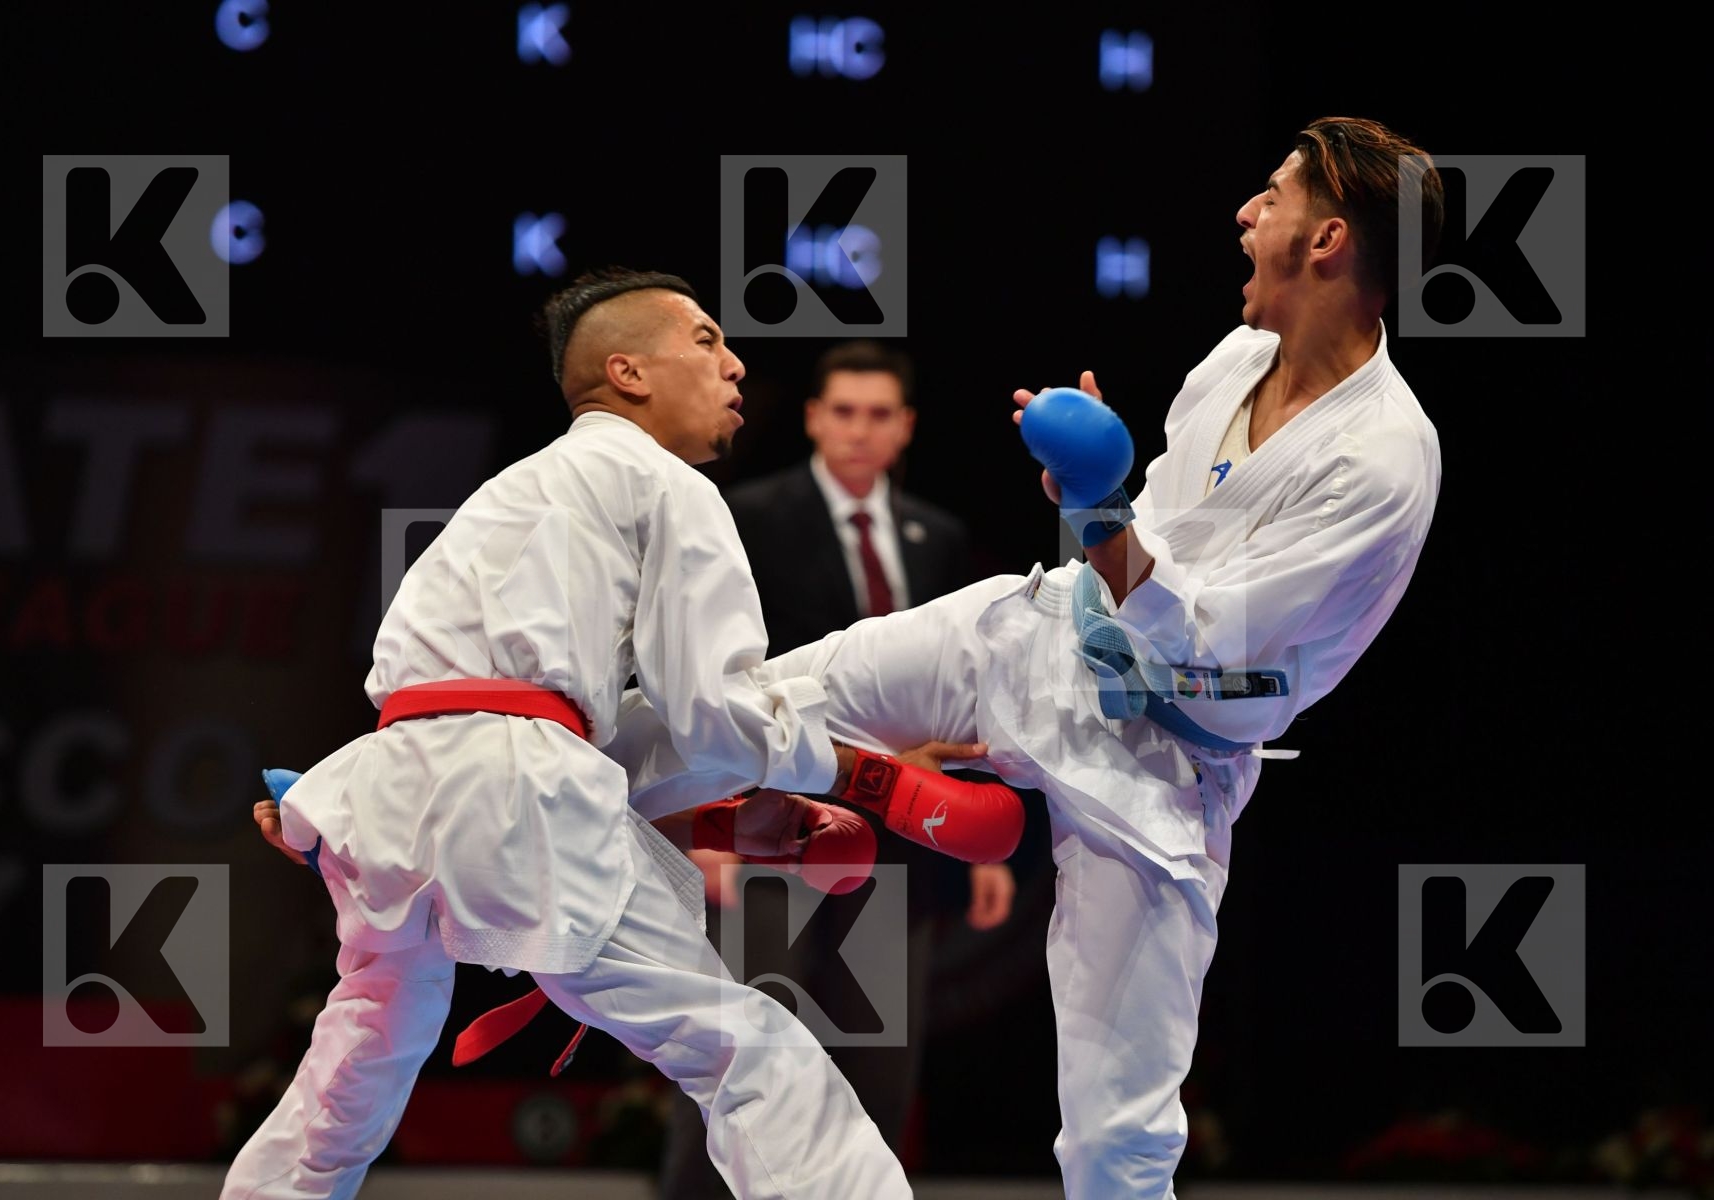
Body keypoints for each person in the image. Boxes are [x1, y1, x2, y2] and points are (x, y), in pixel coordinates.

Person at [605, 117, 1446, 1198]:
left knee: (1115, 1135)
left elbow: (1203, 647)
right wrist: (1095, 503)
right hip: (1041, 640)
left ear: (1328, 240)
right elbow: (1139, 549)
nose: (1247, 213)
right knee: (761, 702)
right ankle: (519, 775)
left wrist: (1098, 502)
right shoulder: (1238, 359)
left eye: (1274, 195)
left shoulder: (1382, 459)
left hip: (1162, 768)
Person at [226, 267, 922, 1200]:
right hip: (511, 788)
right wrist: (853, 767)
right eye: (707, 341)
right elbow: (710, 712)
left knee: (361, 1049)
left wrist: (721, 814)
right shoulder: (665, 484)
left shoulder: (506, 492)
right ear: (628, 373)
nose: (736, 365)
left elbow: (470, 702)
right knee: (746, 1048)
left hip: (394, 787)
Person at [660, 341, 1016, 1196]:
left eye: (879, 414)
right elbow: (706, 675)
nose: (860, 430)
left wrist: (978, 840)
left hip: (903, 828)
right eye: (844, 411)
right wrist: (706, 824)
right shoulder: (746, 517)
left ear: (906, 427)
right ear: (815, 418)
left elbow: (963, 694)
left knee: (879, 1062)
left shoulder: (939, 537)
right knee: (741, 1052)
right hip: (770, 822)